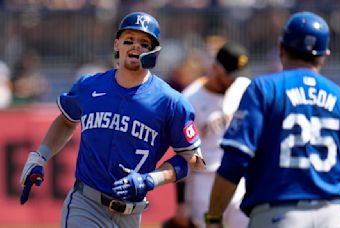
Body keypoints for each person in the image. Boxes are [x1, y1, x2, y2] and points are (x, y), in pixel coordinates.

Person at [19, 12, 205, 228]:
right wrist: (40, 156)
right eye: (129, 40)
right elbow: (66, 120)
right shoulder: (89, 86)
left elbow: (193, 160)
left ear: (154, 51)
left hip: (132, 213)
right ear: (117, 44)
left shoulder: (170, 101)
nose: (135, 46)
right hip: (86, 203)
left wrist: (151, 179)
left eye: (144, 43)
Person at [205, 11, 340, 228]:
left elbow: (235, 161)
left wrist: (214, 216)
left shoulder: (263, 89)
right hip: (332, 216)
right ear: (325, 54)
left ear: (281, 48)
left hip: (278, 213)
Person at [166, 42, 251, 228]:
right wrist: (181, 202)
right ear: (215, 68)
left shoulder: (243, 87)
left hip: (238, 177)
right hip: (204, 180)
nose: (233, 80)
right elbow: (182, 154)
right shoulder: (190, 99)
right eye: (229, 75)